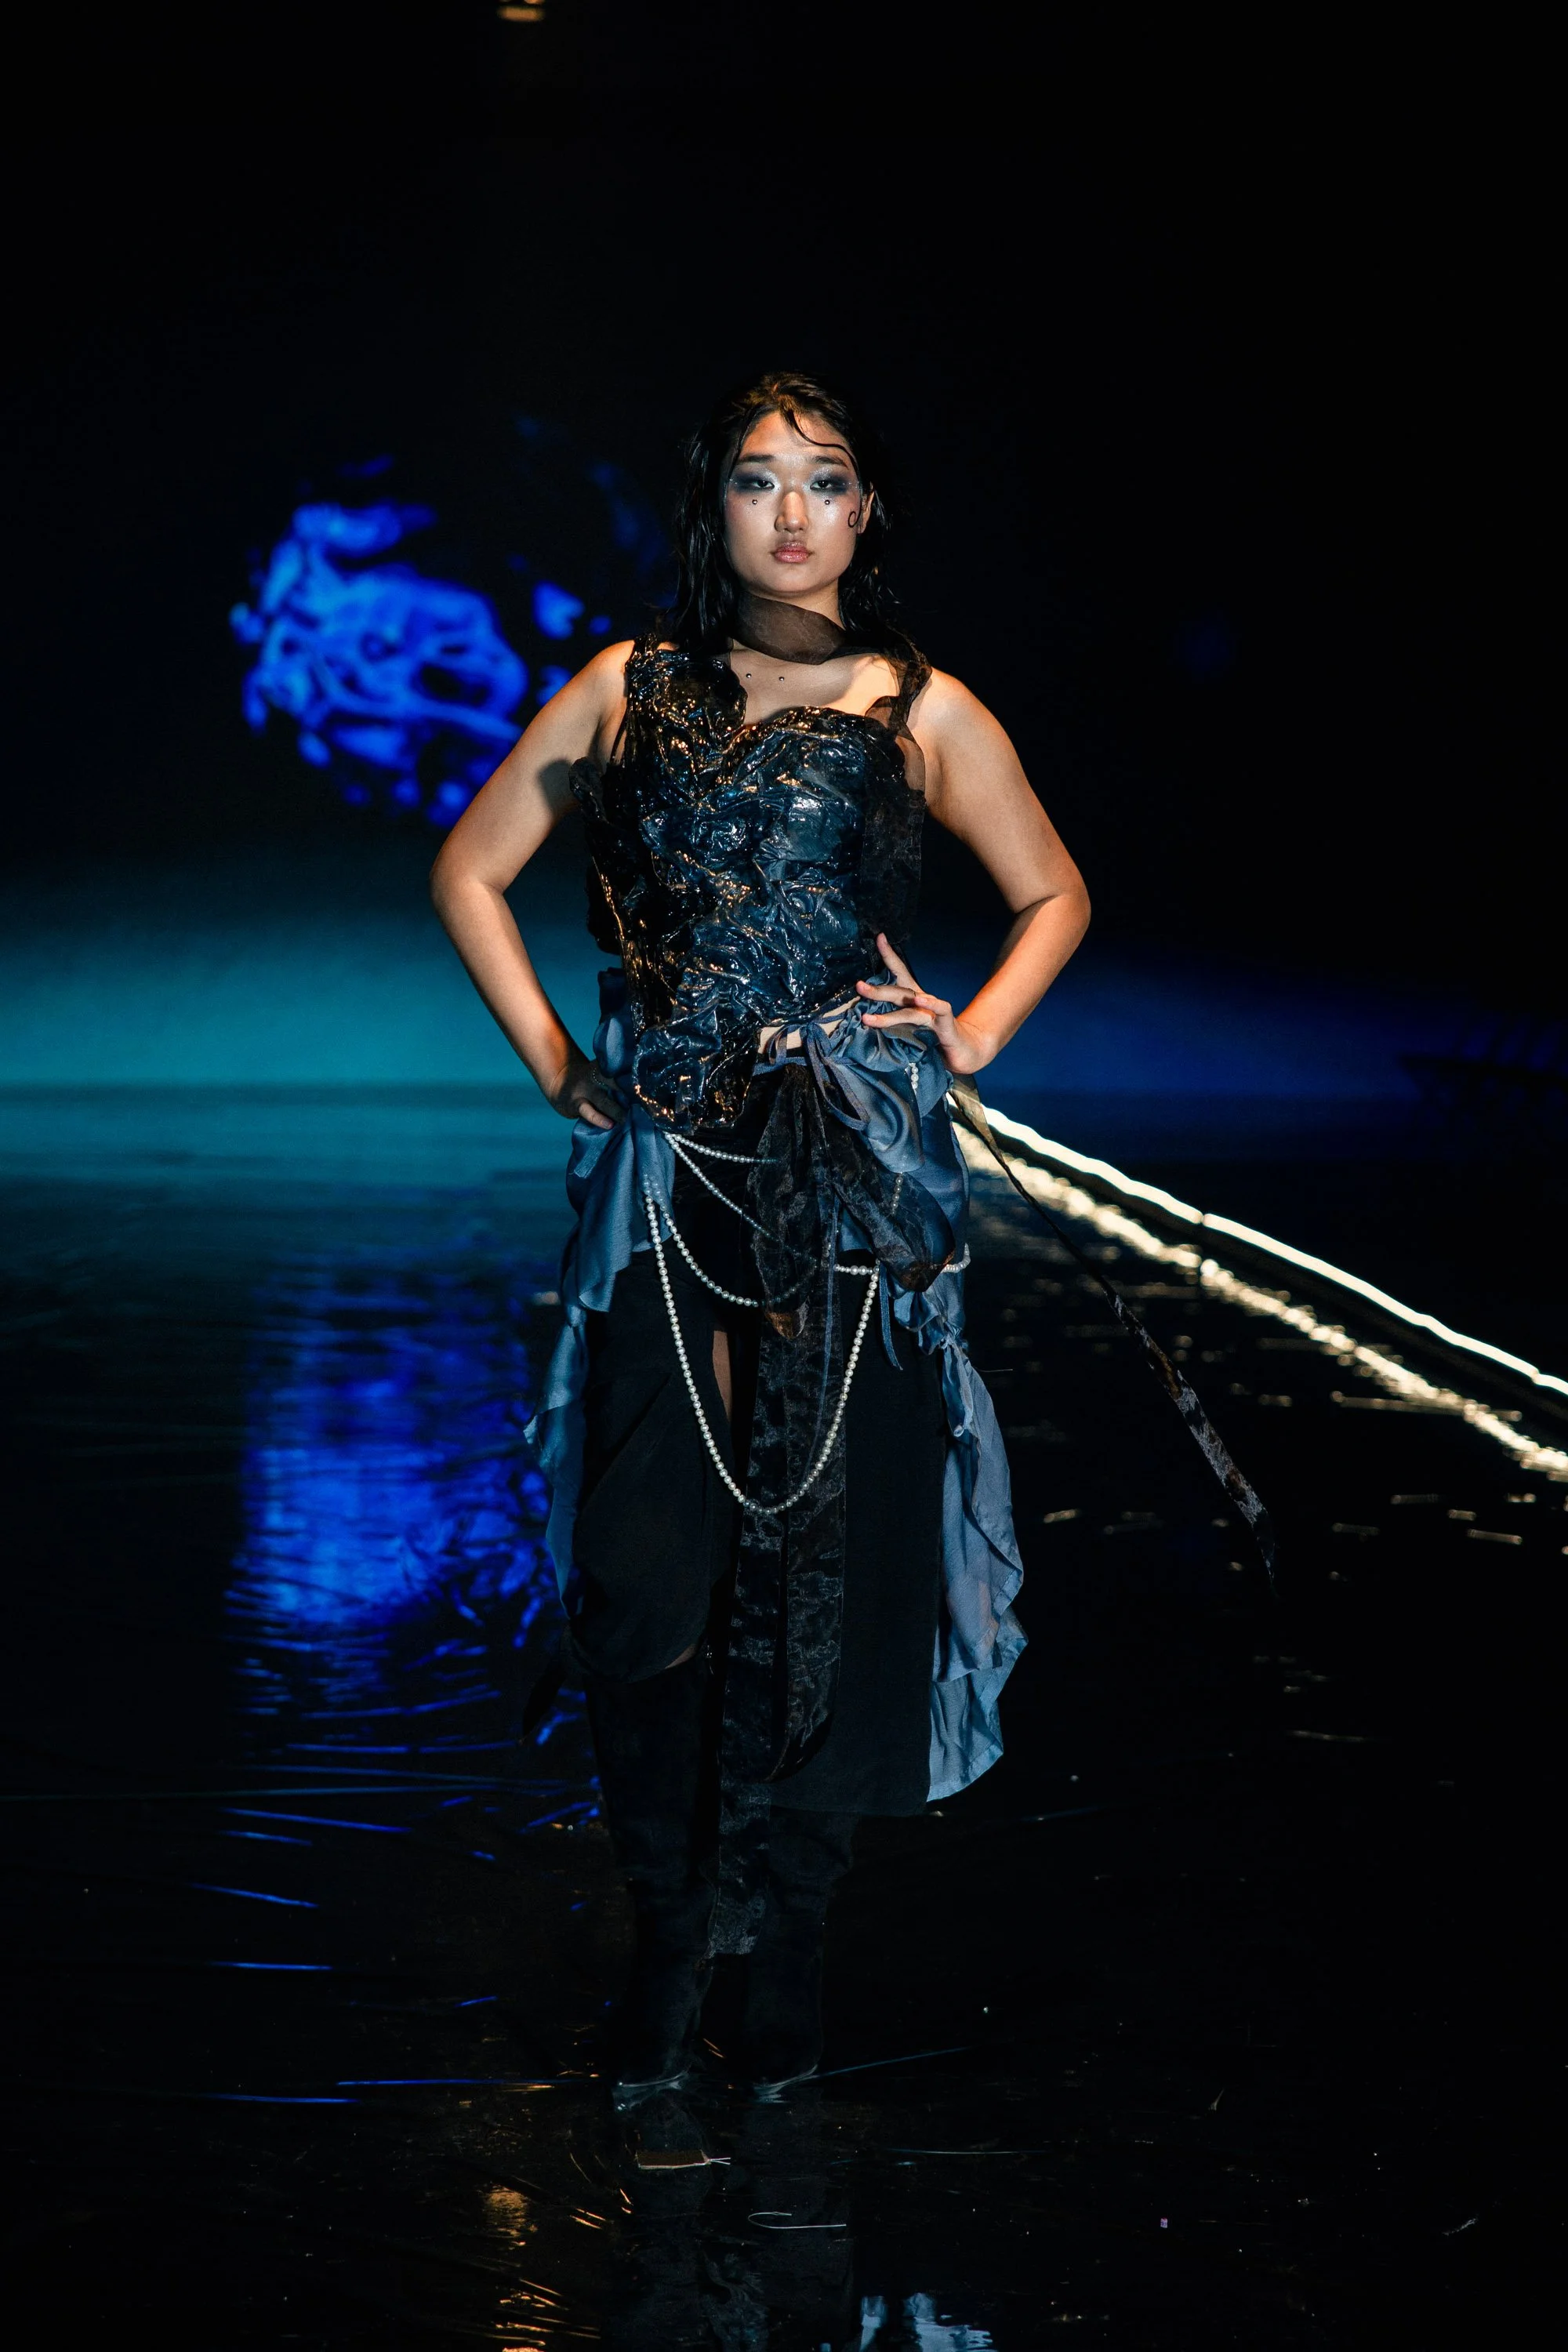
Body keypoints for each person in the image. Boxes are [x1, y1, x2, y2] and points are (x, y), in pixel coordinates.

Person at [431, 371, 1090, 2108]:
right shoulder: (625, 690)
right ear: (709, 506)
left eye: (827, 480)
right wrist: (564, 1065)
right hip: (674, 1189)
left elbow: (1052, 892)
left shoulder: (917, 707)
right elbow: (470, 869)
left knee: (840, 1561)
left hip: (856, 1189)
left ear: (869, 514)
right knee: (649, 1562)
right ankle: (670, 1942)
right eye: (754, 479)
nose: (790, 511)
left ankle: (785, 1956)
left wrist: (971, 1031)